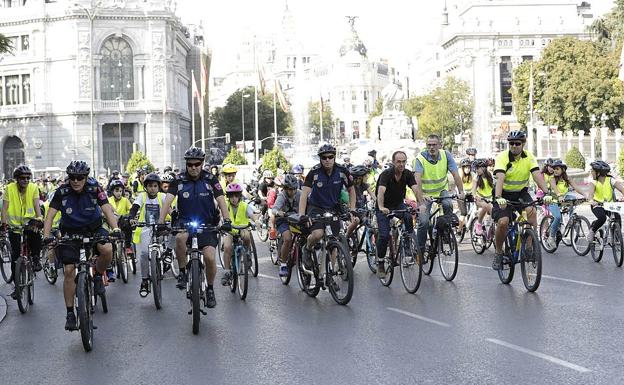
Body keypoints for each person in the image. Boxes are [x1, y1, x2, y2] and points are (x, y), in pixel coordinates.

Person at [42, 161, 120, 331]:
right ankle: (70, 313)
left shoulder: (95, 188)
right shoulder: (61, 191)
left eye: (80, 178)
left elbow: (106, 209)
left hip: (93, 228)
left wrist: (115, 228)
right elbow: (49, 216)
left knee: (107, 249)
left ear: (86, 177)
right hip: (70, 232)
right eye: (72, 178)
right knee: (69, 270)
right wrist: (46, 237)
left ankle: (99, 275)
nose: (76, 181)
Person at [158, 147, 230, 308]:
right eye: (190, 165)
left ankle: (210, 289)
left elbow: (221, 200)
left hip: (207, 223)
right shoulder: (179, 180)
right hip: (184, 221)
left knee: (210, 257)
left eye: (197, 164)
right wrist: (161, 222)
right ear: (186, 165)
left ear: (202, 163)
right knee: (179, 238)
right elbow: (167, 201)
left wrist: (227, 220)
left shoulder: (211, 179)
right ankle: (183, 272)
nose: (193, 167)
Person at [491, 131, 551, 270]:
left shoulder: (529, 157)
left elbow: (536, 176)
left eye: (517, 143)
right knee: (503, 222)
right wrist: (499, 197)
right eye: (511, 143)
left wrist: (548, 193)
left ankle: (529, 248)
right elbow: (500, 178)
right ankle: (499, 253)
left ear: (523, 144)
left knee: (532, 212)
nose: (514, 146)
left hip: (521, 193)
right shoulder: (502, 157)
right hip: (503, 194)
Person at [298, 144, 355, 283]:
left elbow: (352, 190)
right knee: (318, 234)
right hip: (316, 207)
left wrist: (352, 209)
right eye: (324, 157)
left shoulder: (342, 171)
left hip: (333, 207)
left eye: (330, 157)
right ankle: (307, 248)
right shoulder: (314, 173)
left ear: (334, 157)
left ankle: (329, 272)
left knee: (334, 240)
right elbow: (304, 194)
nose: (327, 160)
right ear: (320, 159)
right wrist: (302, 215)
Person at [413, 134, 465, 259]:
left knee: (448, 204)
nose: (431, 147)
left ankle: (444, 231)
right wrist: (421, 197)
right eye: (429, 145)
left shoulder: (446, 155)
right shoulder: (420, 159)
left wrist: (461, 192)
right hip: (425, 194)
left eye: (434, 145)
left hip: (442, 191)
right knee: (424, 222)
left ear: (440, 145)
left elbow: (456, 175)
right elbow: (417, 180)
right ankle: (419, 251)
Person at [0, 165, 43, 299]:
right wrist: (4, 223)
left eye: (27, 178)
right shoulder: (9, 188)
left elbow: (37, 207)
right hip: (14, 226)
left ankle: (36, 258)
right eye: (22, 178)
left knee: (35, 234)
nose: (25, 180)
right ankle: (17, 286)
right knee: (15, 257)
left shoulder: (33, 188)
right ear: (16, 179)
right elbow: (5, 209)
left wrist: (39, 219)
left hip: (29, 223)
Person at [375, 151, 419, 277]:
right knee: (383, 235)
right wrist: (382, 207)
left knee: (407, 216)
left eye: (403, 161)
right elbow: (380, 192)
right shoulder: (386, 174)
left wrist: (420, 204)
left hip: (398, 204)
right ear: (393, 162)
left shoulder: (407, 174)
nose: (401, 164)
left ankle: (408, 245)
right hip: (383, 206)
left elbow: (415, 188)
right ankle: (381, 262)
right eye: (399, 161)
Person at [128, 173, 170, 296]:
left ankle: (168, 253)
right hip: (146, 228)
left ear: (159, 187)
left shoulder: (163, 196)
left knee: (176, 232)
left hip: (161, 227)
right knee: (144, 253)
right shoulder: (142, 196)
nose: (152, 188)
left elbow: (169, 209)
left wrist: (173, 216)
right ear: (146, 187)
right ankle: (145, 281)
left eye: (155, 186)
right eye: (150, 186)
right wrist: (131, 217)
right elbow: (134, 207)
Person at [221, 183, 256, 285]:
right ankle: (227, 272)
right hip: (229, 230)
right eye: (231, 196)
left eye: (236, 195)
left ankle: (247, 254)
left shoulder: (245, 205)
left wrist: (256, 221)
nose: (234, 198)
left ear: (240, 196)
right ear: (228, 196)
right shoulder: (225, 205)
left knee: (247, 236)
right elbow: (219, 214)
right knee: (227, 247)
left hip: (242, 228)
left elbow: (253, 215)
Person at [586, 160, 624, 242]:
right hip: (597, 205)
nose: (591, 172)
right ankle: (592, 230)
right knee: (602, 218)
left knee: (617, 217)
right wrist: (591, 200)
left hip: (609, 205)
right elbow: (590, 195)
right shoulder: (593, 182)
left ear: (598, 173)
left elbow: (622, 189)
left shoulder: (610, 180)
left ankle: (617, 238)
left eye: (592, 171)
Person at [272, 174, 301, 276]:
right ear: (285, 188)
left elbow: (308, 203)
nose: (292, 192)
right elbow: (274, 208)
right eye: (289, 189)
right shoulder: (282, 195)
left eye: (294, 189)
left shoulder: (299, 194)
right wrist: (278, 212)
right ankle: (283, 264)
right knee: (288, 238)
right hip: (283, 219)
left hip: (296, 219)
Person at [345, 165, 375, 246]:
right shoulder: (350, 186)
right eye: (365, 175)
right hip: (352, 210)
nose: (367, 177)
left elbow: (372, 194)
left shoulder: (364, 185)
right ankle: (346, 237)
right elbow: (348, 199)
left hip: (361, 210)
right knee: (356, 221)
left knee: (372, 226)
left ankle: (373, 246)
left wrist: (378, 203)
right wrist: (351, 208)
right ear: (359, 177)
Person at [471, 159, 494, 236]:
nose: (476, 170)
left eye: (478, 168)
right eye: (476, 168)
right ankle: (479, 223)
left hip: (490, 198)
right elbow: (473, 189)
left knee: (494, 209)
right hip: (480, 198)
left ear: (484, 168)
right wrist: (475, 196)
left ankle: (492, 226)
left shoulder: (491, 175)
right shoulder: (476, 177)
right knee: (485, 206)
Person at [456, 158, 474, 235]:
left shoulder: (472, 175)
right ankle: (459, 230)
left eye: (469, 167)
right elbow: (457, 186)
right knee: (463, 212)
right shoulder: (460, 175)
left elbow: (476, 185)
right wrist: (461, 193)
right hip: (461, 194)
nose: (467, 169)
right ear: (462, 168)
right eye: (466, 167)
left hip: (470, 194)